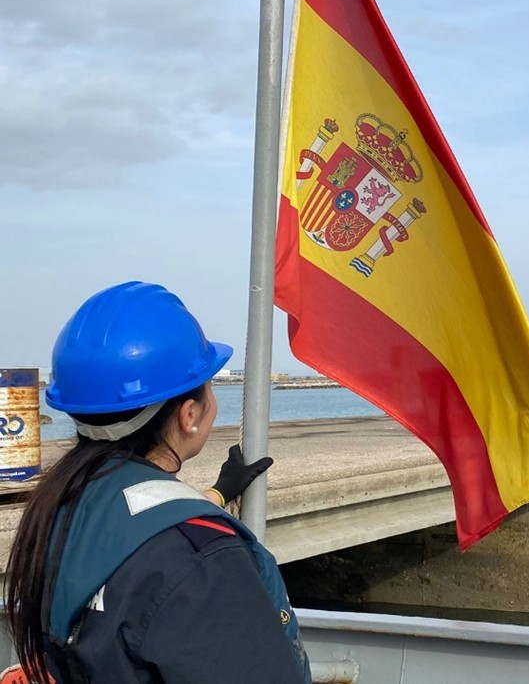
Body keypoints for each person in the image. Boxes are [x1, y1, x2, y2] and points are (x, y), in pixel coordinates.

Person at [3, 282, 311, 684]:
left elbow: (134, 531)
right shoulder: (205, 560)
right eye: (209, 386)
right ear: (189, 415)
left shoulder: (58, 505)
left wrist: (219, 492)